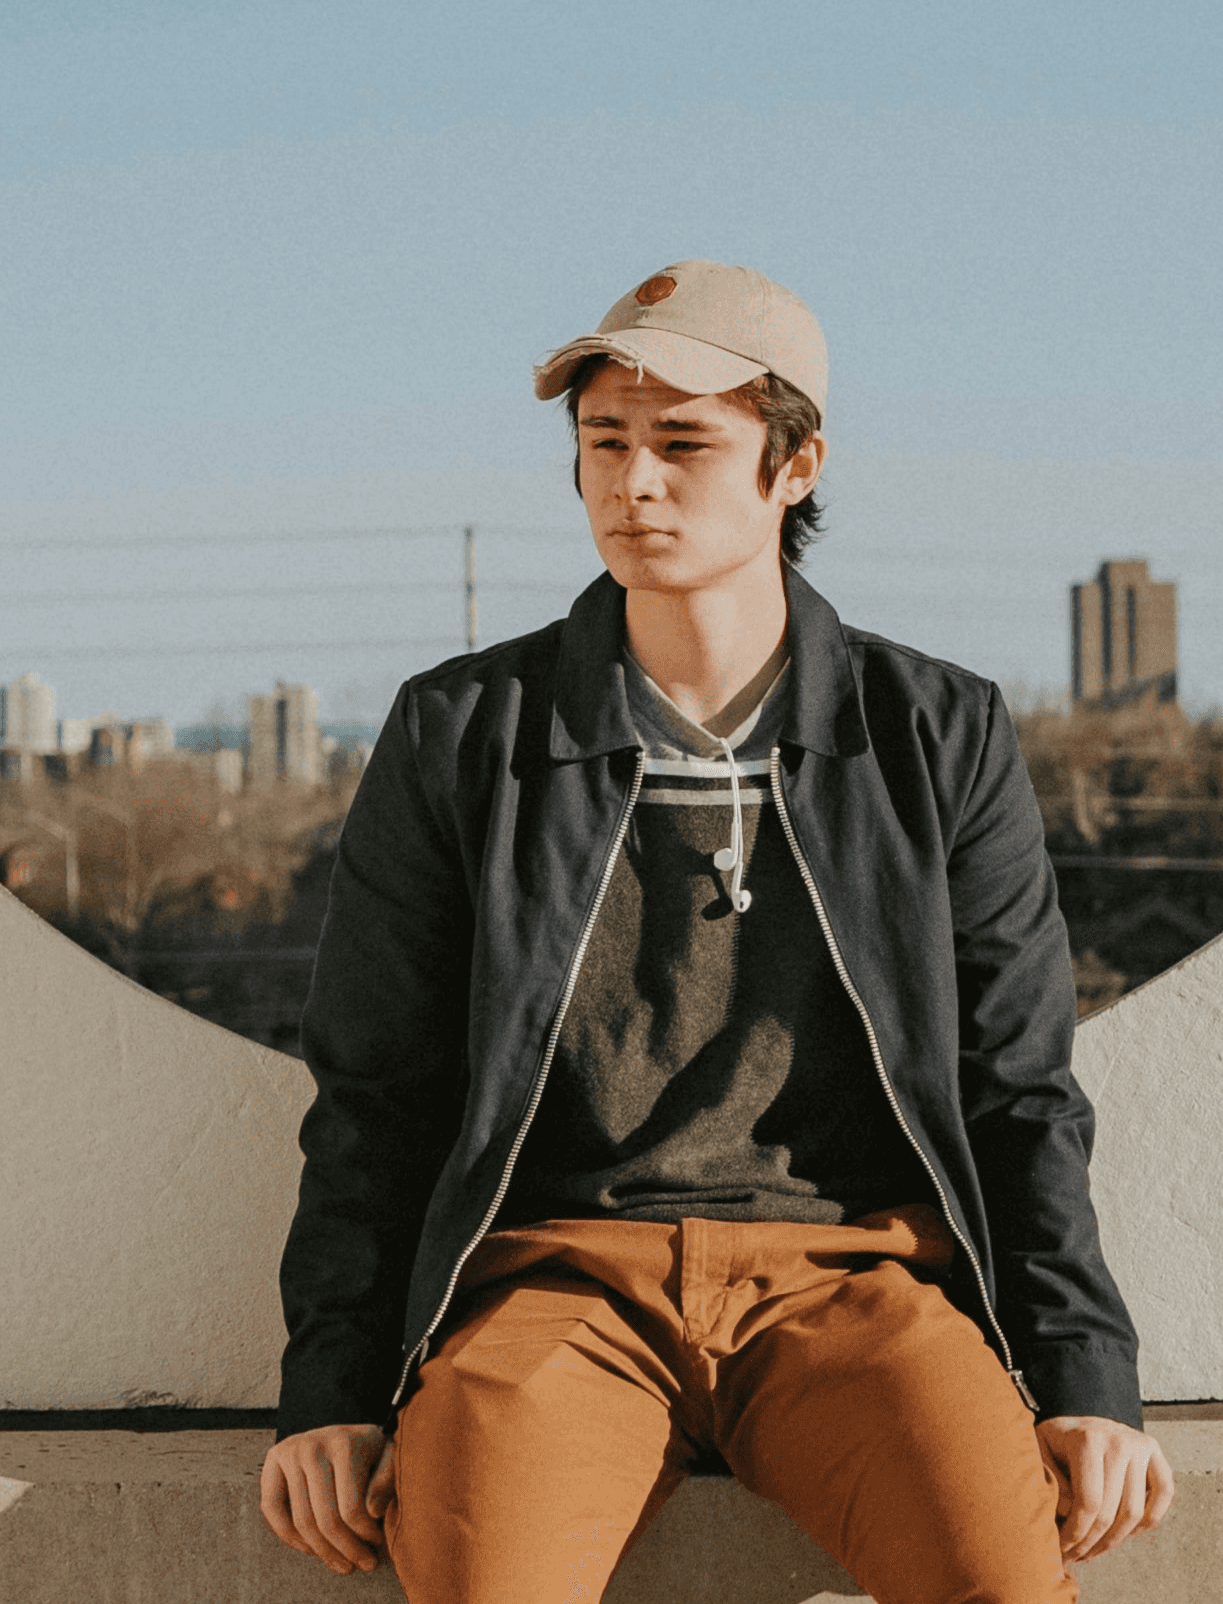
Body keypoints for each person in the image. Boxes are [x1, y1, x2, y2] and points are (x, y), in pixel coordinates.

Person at [260, 259, 1173, 1602]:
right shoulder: (465, 733)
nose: (631, 486)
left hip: (857, 1283)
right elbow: (374, 1091)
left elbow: (1016, 1085)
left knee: (1003, 1579)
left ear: (796, 465)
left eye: (683, 445)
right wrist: (330, 1388)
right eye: (602, 445)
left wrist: (1088, 1374)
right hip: (557, 1288)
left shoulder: (931, 735)